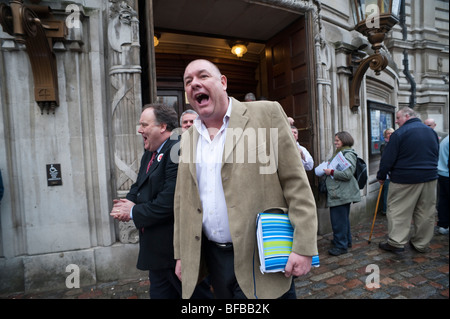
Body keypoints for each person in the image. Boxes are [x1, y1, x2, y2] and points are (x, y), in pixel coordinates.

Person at [174, 59, 318, 299]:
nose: (194, 84)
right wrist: (182, 253)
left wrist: (303, 247)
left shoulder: (266, 113)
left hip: (262, 256)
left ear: (223, 82)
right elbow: (182, 201)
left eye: (202, 76)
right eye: (188, 81)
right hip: (214, 258)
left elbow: (296, 183)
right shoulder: (188, 138)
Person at [110, 103, 211, 299]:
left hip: (176, 254)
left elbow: (169, 202)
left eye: (144, 125)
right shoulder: (150, 151)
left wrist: (132, 212)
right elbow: (138, 185)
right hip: (156, 255)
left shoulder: (178, 150)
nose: (140, 130)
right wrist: (126, 203)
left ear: (163, 127)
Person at [377, 107, 439, 253]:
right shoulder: (431, 132)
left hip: (404, 179)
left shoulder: (400, 133)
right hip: (429, 178)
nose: (396, 121)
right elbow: (435, 153)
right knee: (425, 212)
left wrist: (381, 175)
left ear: (407, 116)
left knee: (398, 211)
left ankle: (396, 243)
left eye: (398, 118)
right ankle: (421, 243)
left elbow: (388, 159)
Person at [323, 131, 361, 256]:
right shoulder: (341, 153)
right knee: (342, 220)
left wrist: (331, 172)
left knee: (338, 220)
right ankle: (345, 241)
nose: (335, 142)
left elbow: (348, 174)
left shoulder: (348, 154)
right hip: (339, 191)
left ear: (344, 141)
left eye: (337, 140)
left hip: (341, 193)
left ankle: (341, 246)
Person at [380, 128, 394, 214]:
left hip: (394, 173)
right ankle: (385, 209)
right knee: (387, 192)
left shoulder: (395, 144)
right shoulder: (384, 145)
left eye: (392, 133)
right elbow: (385, 160)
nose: (390, 135)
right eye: (388, 133)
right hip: (387, 173)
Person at [436, 135, 449, 235]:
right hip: (446, 174)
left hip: (442, 173)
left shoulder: (446, 139)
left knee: (444, 200)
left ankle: (443, 224)